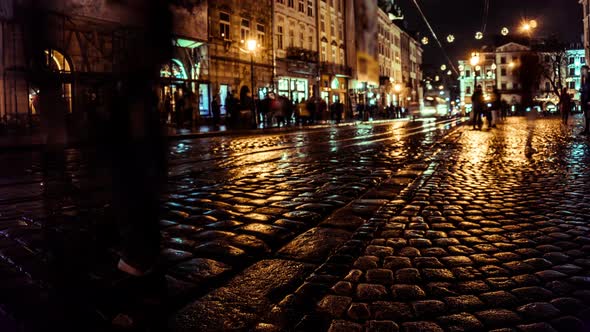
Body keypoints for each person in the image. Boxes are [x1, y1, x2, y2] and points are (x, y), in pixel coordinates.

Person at [581, 65, 590, 134]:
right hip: (585, 99)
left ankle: (587, 130)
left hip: (588, 99)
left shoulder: (589, 78)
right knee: (586, 115)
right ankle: (587, 129)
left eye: (583, 70)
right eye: (581, 70)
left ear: (586, 70)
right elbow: (585, 89)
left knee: (588, 115)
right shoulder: (584, 78)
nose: (582, 71)